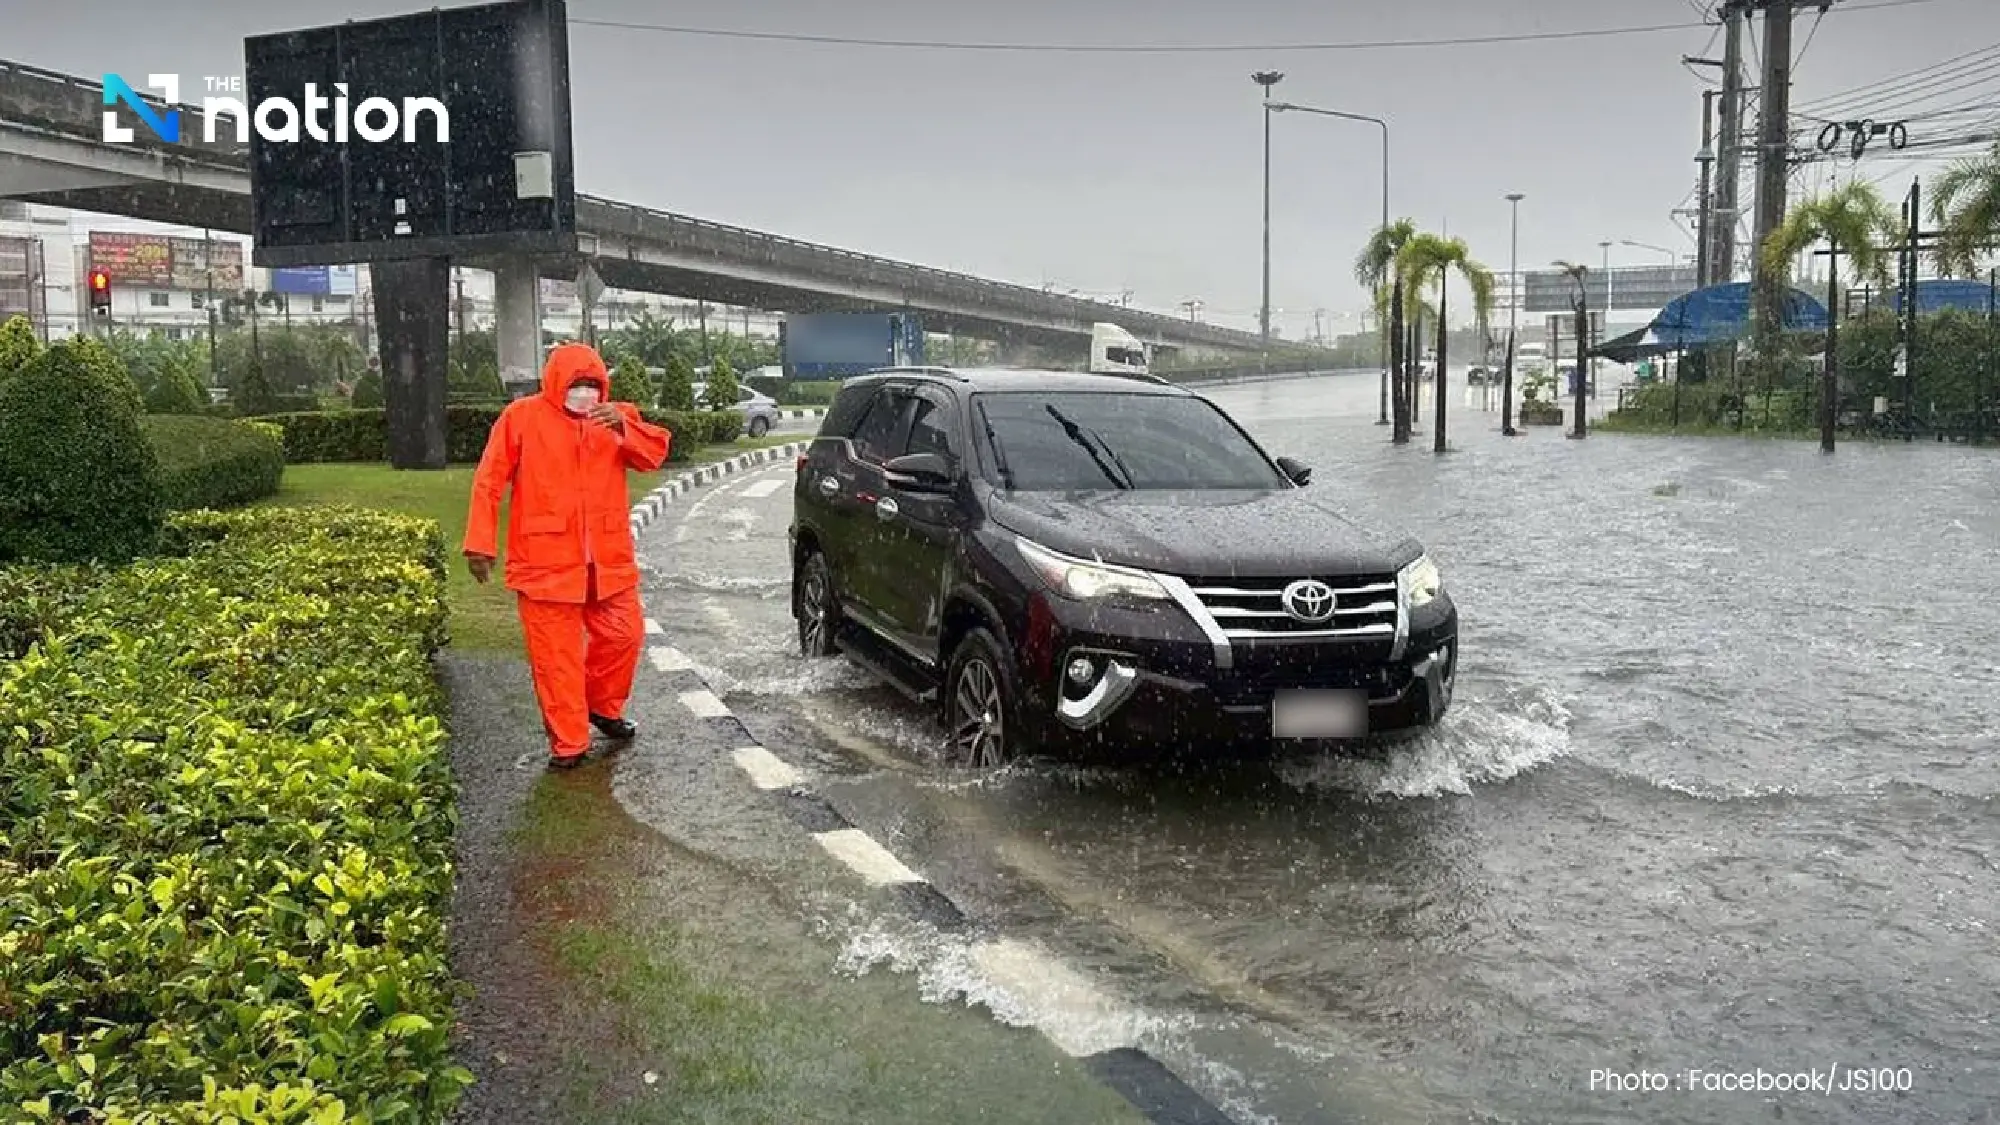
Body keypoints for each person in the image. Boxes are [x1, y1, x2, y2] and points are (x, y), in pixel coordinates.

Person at [462, 342, 672, 769]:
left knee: (624, 637)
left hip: (607, 562)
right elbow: (489, 479)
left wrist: (623, 428)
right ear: (557, 382)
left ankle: (601, 706)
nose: (585, 392)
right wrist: (480, 542)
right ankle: (569, 743)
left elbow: (654, 455)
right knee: (555, 659)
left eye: (593, 385)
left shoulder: (615, 416)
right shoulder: (521, 418)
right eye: (577, 384)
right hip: (545, 563)